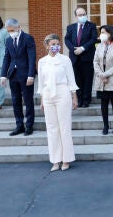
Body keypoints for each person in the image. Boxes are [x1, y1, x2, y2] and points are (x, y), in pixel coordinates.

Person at [37, 34, 79, 171]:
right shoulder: (42, 61)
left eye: (57, 44)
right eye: (53, 44)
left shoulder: (65, 60)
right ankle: (55, 160)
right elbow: (42, 83)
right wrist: (42, 99)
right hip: (48, 95)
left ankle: (66, 159)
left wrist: (74, 96)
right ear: (47, 46)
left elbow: (71, 79)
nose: (56, 46)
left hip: (63, 93)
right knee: (51, 128)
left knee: (64, 127)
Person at [0, 18, 36, 136]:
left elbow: (32, 58)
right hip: (13, 75)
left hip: (26, 75)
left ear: (18, 27)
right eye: (8, 31)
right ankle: (19, 125)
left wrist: (31, 75)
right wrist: (3, 75)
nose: (10, 32)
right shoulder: (8, 40)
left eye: (12, 30)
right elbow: (7, 58)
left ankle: (29, 126)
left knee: (28, 100)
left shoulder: (28, 38)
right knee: (15, 101)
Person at [93, 25, 113, 135]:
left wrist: (106, 74)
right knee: (104, 103)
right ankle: (105, 126)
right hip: (101, 79)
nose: (102, 34)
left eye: (104, 32)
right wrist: (101, 75)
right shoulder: (99, 46)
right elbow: (95, 62)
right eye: (101, 32)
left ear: (110, 33)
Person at [64, 7, 97, 108]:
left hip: (87, 57)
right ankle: (79, 99)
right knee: (77, 80)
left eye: (84, 14)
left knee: (87, 79)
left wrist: (82, 48)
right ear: (76, 16)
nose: (82, 16)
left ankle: (86, 100)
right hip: (75, 58)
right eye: (80, 15)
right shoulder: (71, 27)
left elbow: (93, 39)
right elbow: (67, 39)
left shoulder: (91, 26)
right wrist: (74, 49)